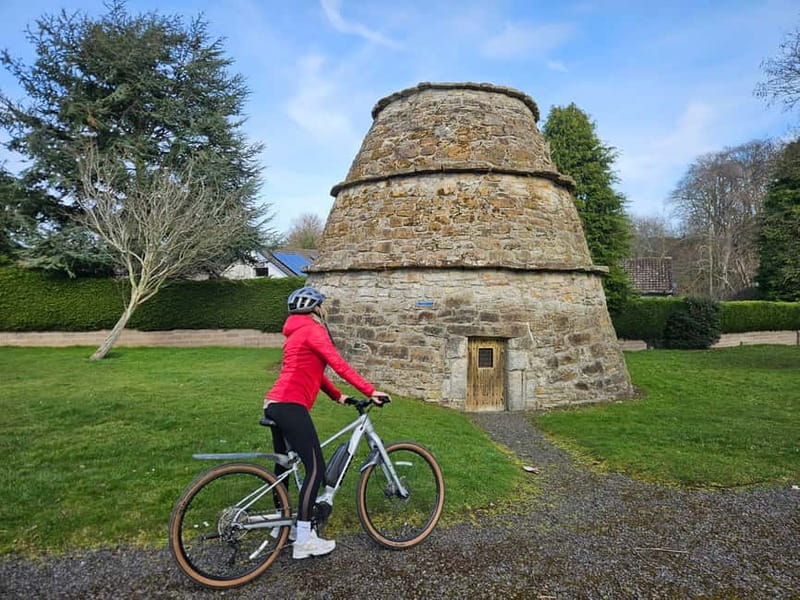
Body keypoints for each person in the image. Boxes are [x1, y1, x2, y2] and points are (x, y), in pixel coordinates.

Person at [264, 285, 390, 560]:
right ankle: (305, 540)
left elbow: (313, 372)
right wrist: (371, 391)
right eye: (323, 306)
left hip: (275, 404)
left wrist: (340, 397)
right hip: (290, 405)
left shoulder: (295, 333)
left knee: (284, 467)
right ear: (316, 308)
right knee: (316, 469)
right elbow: (338, 363)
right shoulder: (313, 330)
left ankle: (281, 525)